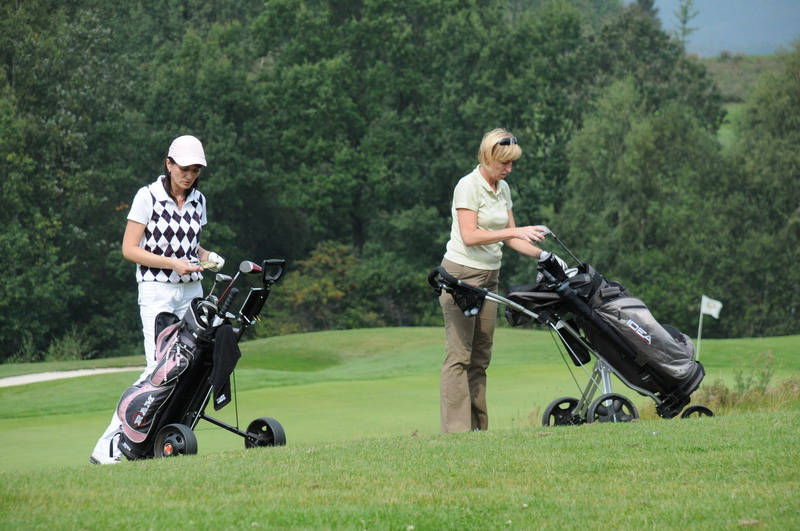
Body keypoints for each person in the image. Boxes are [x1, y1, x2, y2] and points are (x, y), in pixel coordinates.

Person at [89, 135, 225, 464]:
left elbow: (190, 246)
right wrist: (172, 264)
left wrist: (208, 257)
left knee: (190, 364)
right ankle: (108, 445)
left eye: (195, 170)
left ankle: (157, 440)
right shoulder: (147, 196)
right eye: (183, 169)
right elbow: (130, 249)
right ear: (168, 164)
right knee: (158, 369)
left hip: (191, 291)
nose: (189, 176)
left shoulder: (199, 200)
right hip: (157, 291)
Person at [437, 128, 560, 433]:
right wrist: (515, 231)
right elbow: (470, 235)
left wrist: (543, 255)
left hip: (490, 278)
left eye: (512, 163)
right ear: (487, 157)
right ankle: (457, 432)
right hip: (461, 277)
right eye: (504, 163)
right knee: (459, 356)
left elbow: (512, 238)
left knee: (480, 357)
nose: (509, 169)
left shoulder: (502, 188)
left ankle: (478, 430)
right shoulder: (468, 186)